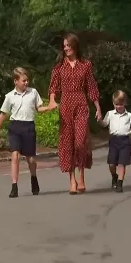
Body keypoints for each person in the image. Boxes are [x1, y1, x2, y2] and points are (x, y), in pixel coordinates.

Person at [47, 32, 102, 195]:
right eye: (64, 46)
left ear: (75, 47)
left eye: (68, 46)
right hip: (65, 107)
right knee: (68, 144)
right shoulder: (59, 67)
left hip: (81, 105)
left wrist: (98, 107)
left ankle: (82, 175)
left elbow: (91, 87)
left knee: (80, 142)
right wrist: (51, 100)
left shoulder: (85, 65)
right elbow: (53, 87)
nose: (66, 49)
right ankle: (72, 180)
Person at [0, 67, 54, 198]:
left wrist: (48, 107)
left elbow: (39, 108)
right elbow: (3, 114)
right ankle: (14, 187)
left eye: (27, 80)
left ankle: (33, 178)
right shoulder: (10, 96)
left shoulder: (33, 93)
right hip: (15, 127)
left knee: (30, 159)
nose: (26, 83)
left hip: (28, 127)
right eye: (24, 81)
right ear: (16, 81)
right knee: (15, 156)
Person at [98, 90, 131, 193]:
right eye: (116, 104)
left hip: (125, 141)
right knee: (112, 163)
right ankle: (114, 176)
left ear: (125, 103)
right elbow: (104, 124)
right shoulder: (110, 114)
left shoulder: (129, 116)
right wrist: (100, 120)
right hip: (114, 140)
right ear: (113, 103)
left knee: (122, 163)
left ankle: (120, 183)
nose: (119, 106)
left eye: (121, 104)